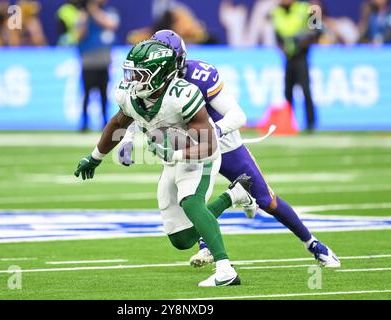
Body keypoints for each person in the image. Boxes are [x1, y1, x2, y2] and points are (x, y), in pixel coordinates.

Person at [118, 30, 340, 268]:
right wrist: (126, 137)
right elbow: (136, 111)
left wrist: (210, 136)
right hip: (185, 144)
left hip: (220, 142)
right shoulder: (148, 79)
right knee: (192, 203)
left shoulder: (200, 75)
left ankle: (313, 243)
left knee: (266, 199)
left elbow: (237, 115)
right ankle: (213, 237)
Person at [74, 39, 258, 287]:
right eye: (131, 73)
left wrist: (177, 154)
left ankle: (226, 271)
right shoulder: (130, 95)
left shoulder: (182, 95)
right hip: (172, 160)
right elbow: (118, 123)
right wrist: (95, 157)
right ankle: (234, 195)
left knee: (191, 202)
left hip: (198, 155)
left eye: (139, 74)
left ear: (160, 74)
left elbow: (210, 144)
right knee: (182, 239)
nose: (132, 80)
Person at [271, 0, 320, 132]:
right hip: (288, 56)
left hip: (301, 54)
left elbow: (317, 28)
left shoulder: (306, 8)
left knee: (306, 89)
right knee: (287, 91)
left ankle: (311, 124)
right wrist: (283, 47)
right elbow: (276, 35)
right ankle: (288, 123)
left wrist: (304, 39)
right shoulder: (276, 12)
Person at [76, 0, 119, 131]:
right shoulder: (82, 15)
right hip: (88, 61)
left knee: (103, 94)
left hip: (103, 60)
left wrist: (93, 10)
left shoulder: (109, 12)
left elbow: (111, 24)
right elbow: (78, 35)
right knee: (86, 93)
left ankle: (105, 122)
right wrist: (84, 17)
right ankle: (84, 123)